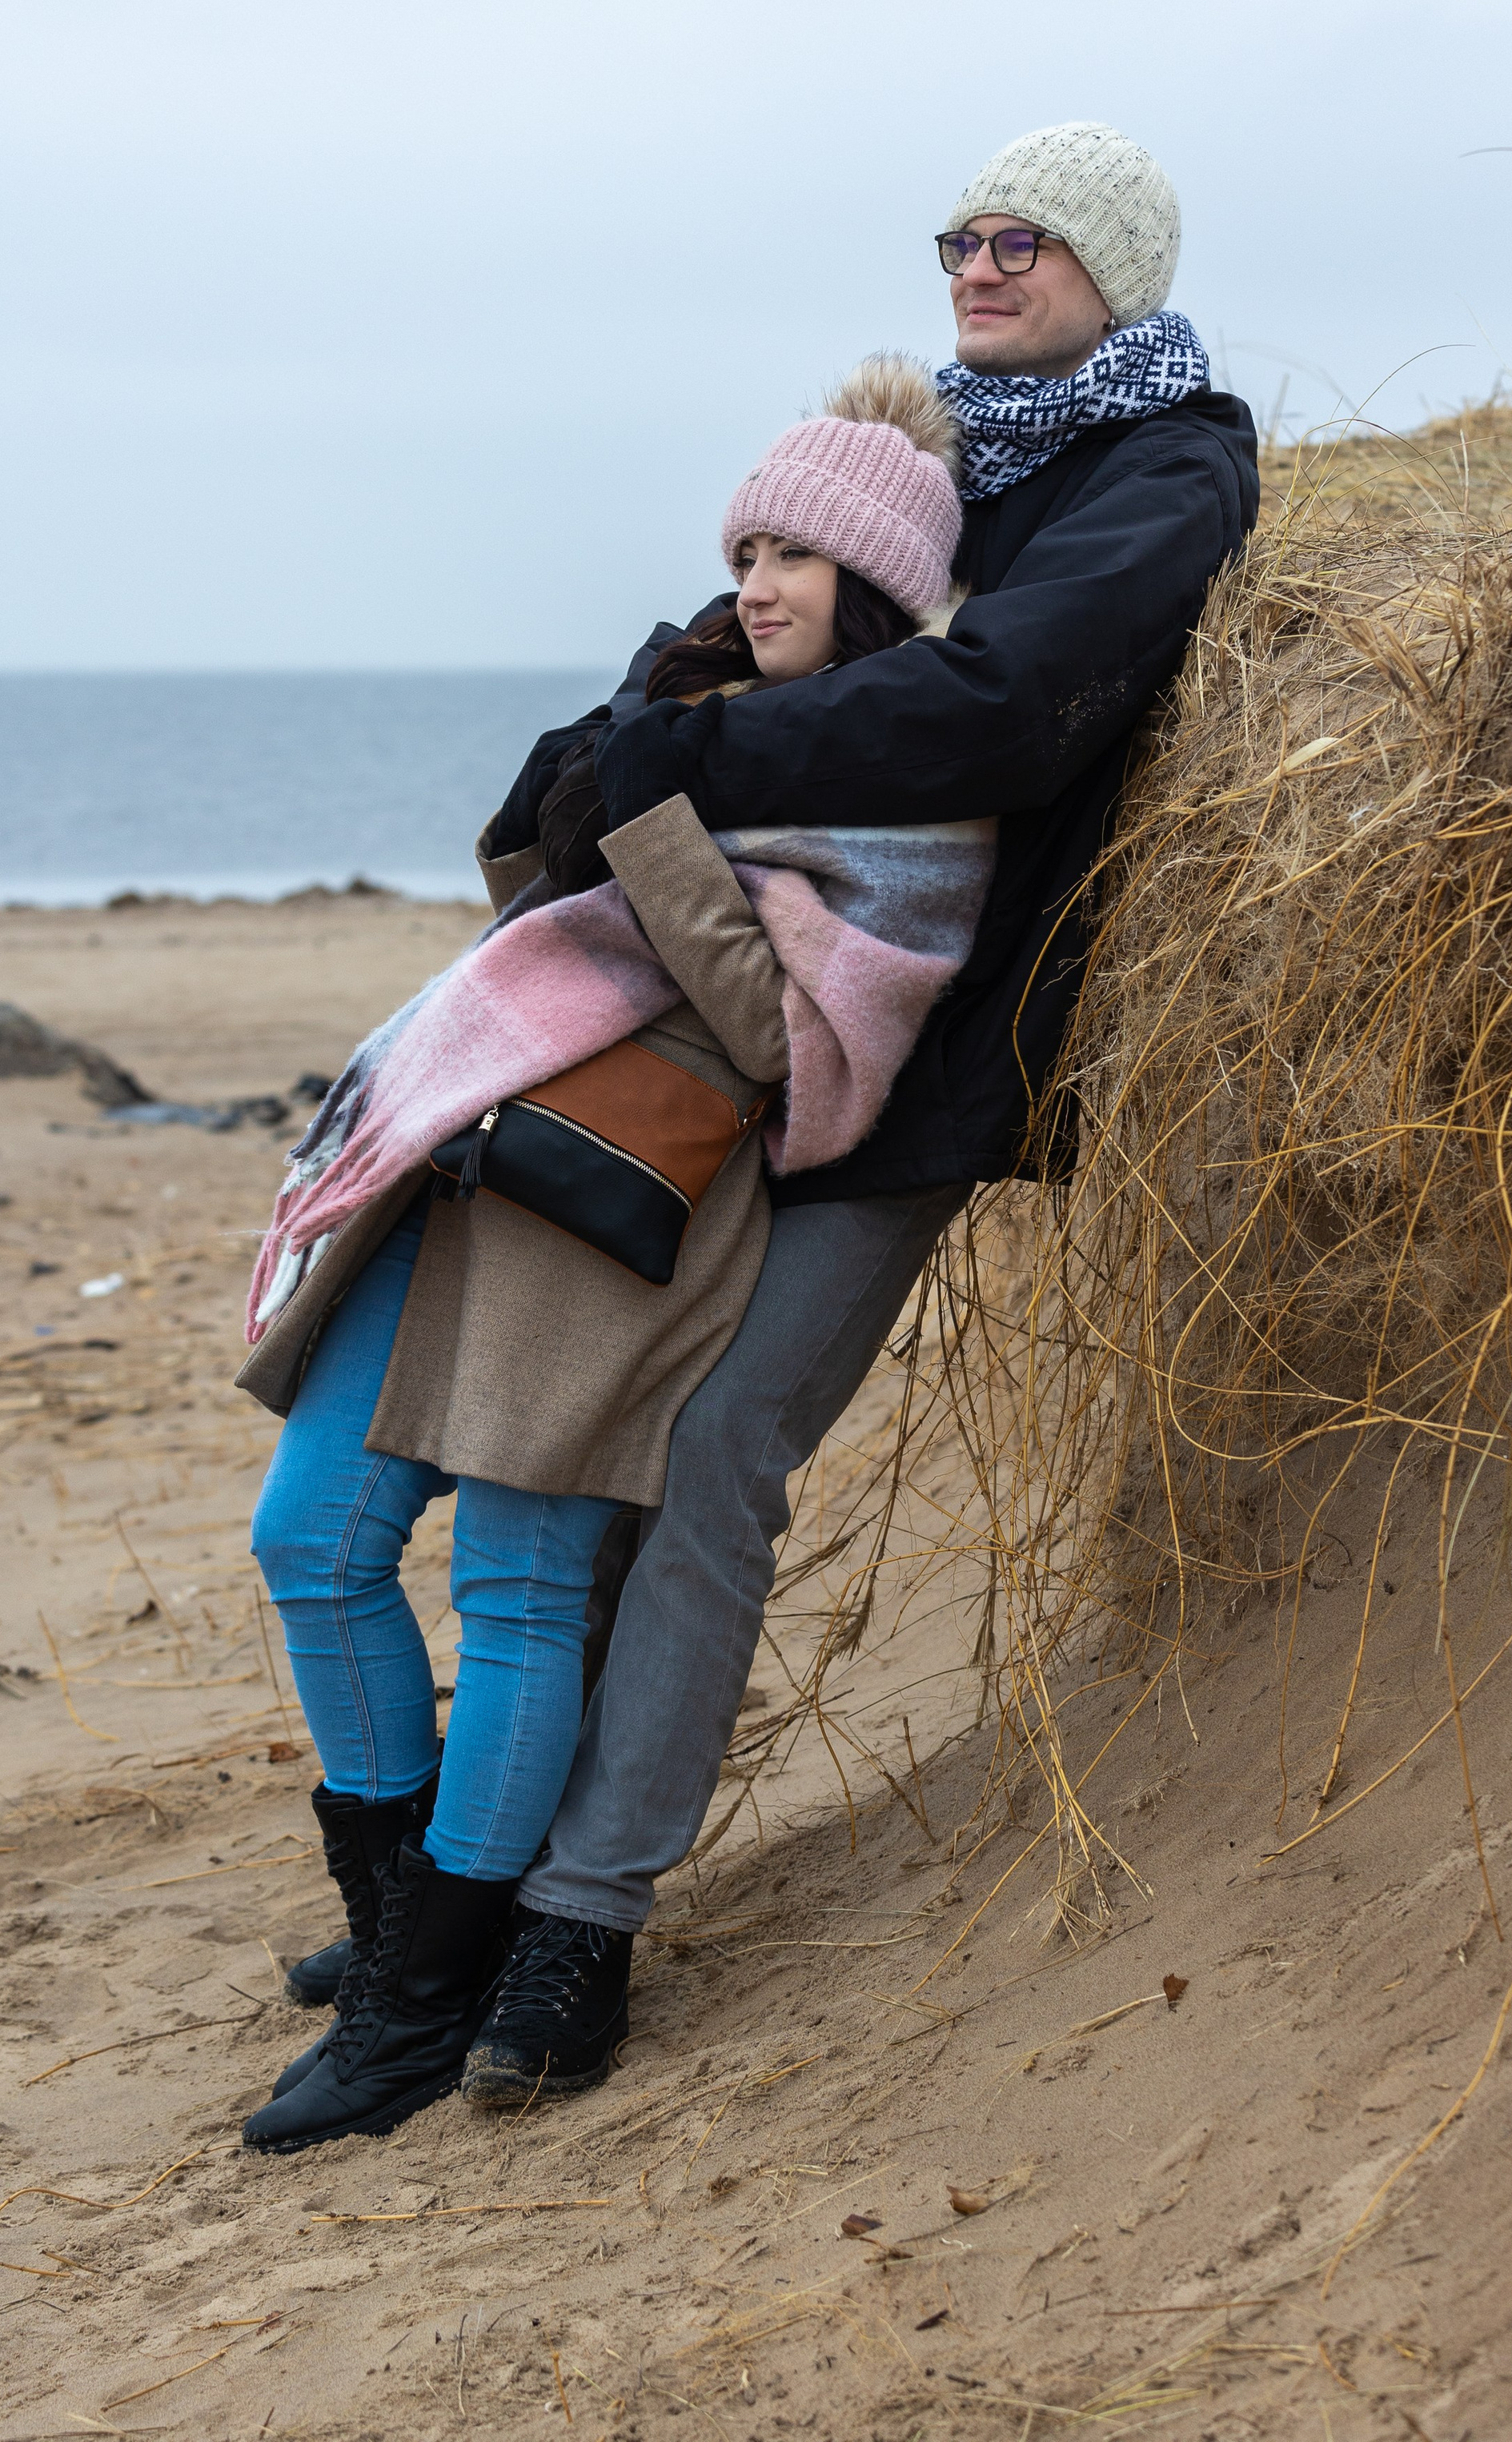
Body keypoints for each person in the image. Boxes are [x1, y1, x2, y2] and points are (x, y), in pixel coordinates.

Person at [462, 122, 1261, 2111]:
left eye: (1025, 240)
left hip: (925, 1049)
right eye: (960, 237)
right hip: (725, 1041)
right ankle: (473, 1882)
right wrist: (619, 741)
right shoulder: (917, 458)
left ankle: (580, 1923)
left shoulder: (1166, 465)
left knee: (717, 1443)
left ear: (1115, 268)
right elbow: (722, 640)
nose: (978, 266)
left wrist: (688, 760)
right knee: (592, 1433)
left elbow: (995, 704)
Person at [238, 361, 986, 2153]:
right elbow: (548, 923)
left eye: (797, 555)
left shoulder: (911, 783)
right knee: (310, 1537)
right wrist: (576, 792)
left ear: (879, 581)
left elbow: (784, 1039)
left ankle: (421, 1998)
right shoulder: (699, 703)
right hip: (465, 1157)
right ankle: (406, 1920)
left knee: (515, 1578)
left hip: (622, 1203)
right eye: (746, 549)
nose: (759, 582)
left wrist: (651, 817)